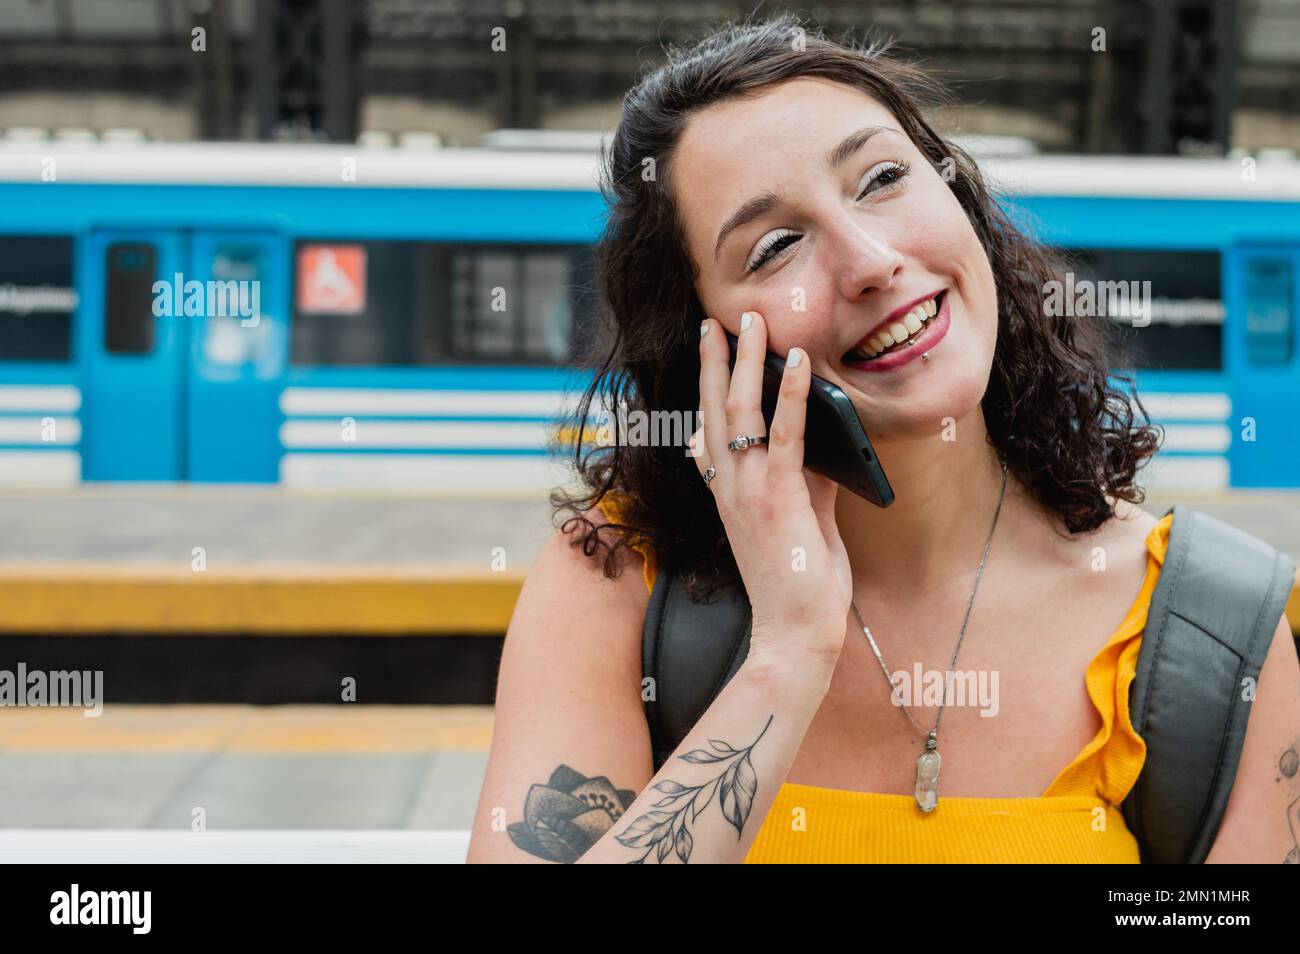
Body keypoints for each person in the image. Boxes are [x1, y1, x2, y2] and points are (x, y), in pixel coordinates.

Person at [466, 13, 1299, 864]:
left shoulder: (1211, 636)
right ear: (706, 347)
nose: (870, 260)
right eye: (777, 245)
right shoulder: (611, 584)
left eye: (883, 177)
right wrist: (789, 652)